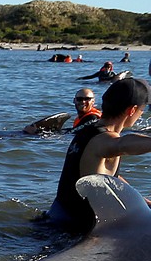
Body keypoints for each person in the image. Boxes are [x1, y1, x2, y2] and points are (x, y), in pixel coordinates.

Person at [48, 76, 151, 233]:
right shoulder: (105, 139)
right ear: (131, 110)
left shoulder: (86, 131)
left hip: (54, 220)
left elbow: (112, 179)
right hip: (70, 232)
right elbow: (121, 144)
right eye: (141, 110)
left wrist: (144, 202)